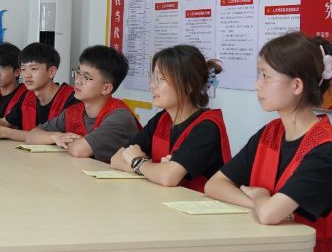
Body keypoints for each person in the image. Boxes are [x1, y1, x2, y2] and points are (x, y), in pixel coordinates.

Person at [205, 32, 332, 251]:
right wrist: (257, 202)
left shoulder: (325, 148)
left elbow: (269, 214)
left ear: (296, 85)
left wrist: (262, 195)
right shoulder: (270, 132)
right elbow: (215, 185)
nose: (257, 85)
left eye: (266, 76)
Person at [110, 45, 231, 192]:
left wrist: (138, 162)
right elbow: (116, 159)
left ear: (188, 86)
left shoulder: (207, 128)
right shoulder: (161, 119)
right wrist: (154, 170)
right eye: (154, 77)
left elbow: (168, 177)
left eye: (161, 79)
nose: (152, 86)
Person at [27, 45, 141, 161]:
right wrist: (55, 136)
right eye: (78, 73)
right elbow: (32, 136)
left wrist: (65, 140)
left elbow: (79, 150)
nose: (77, 80)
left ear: (106, 88)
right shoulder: (73, 112)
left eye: (86, 77)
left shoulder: (120, 117)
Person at [0, 42, 78, 141]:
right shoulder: (27, 97)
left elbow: (67, 138)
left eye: (34, 69)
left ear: (51, 72)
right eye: (23, 69)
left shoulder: (72, 98)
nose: (26, 75)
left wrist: (3, 132)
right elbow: (5, 122)